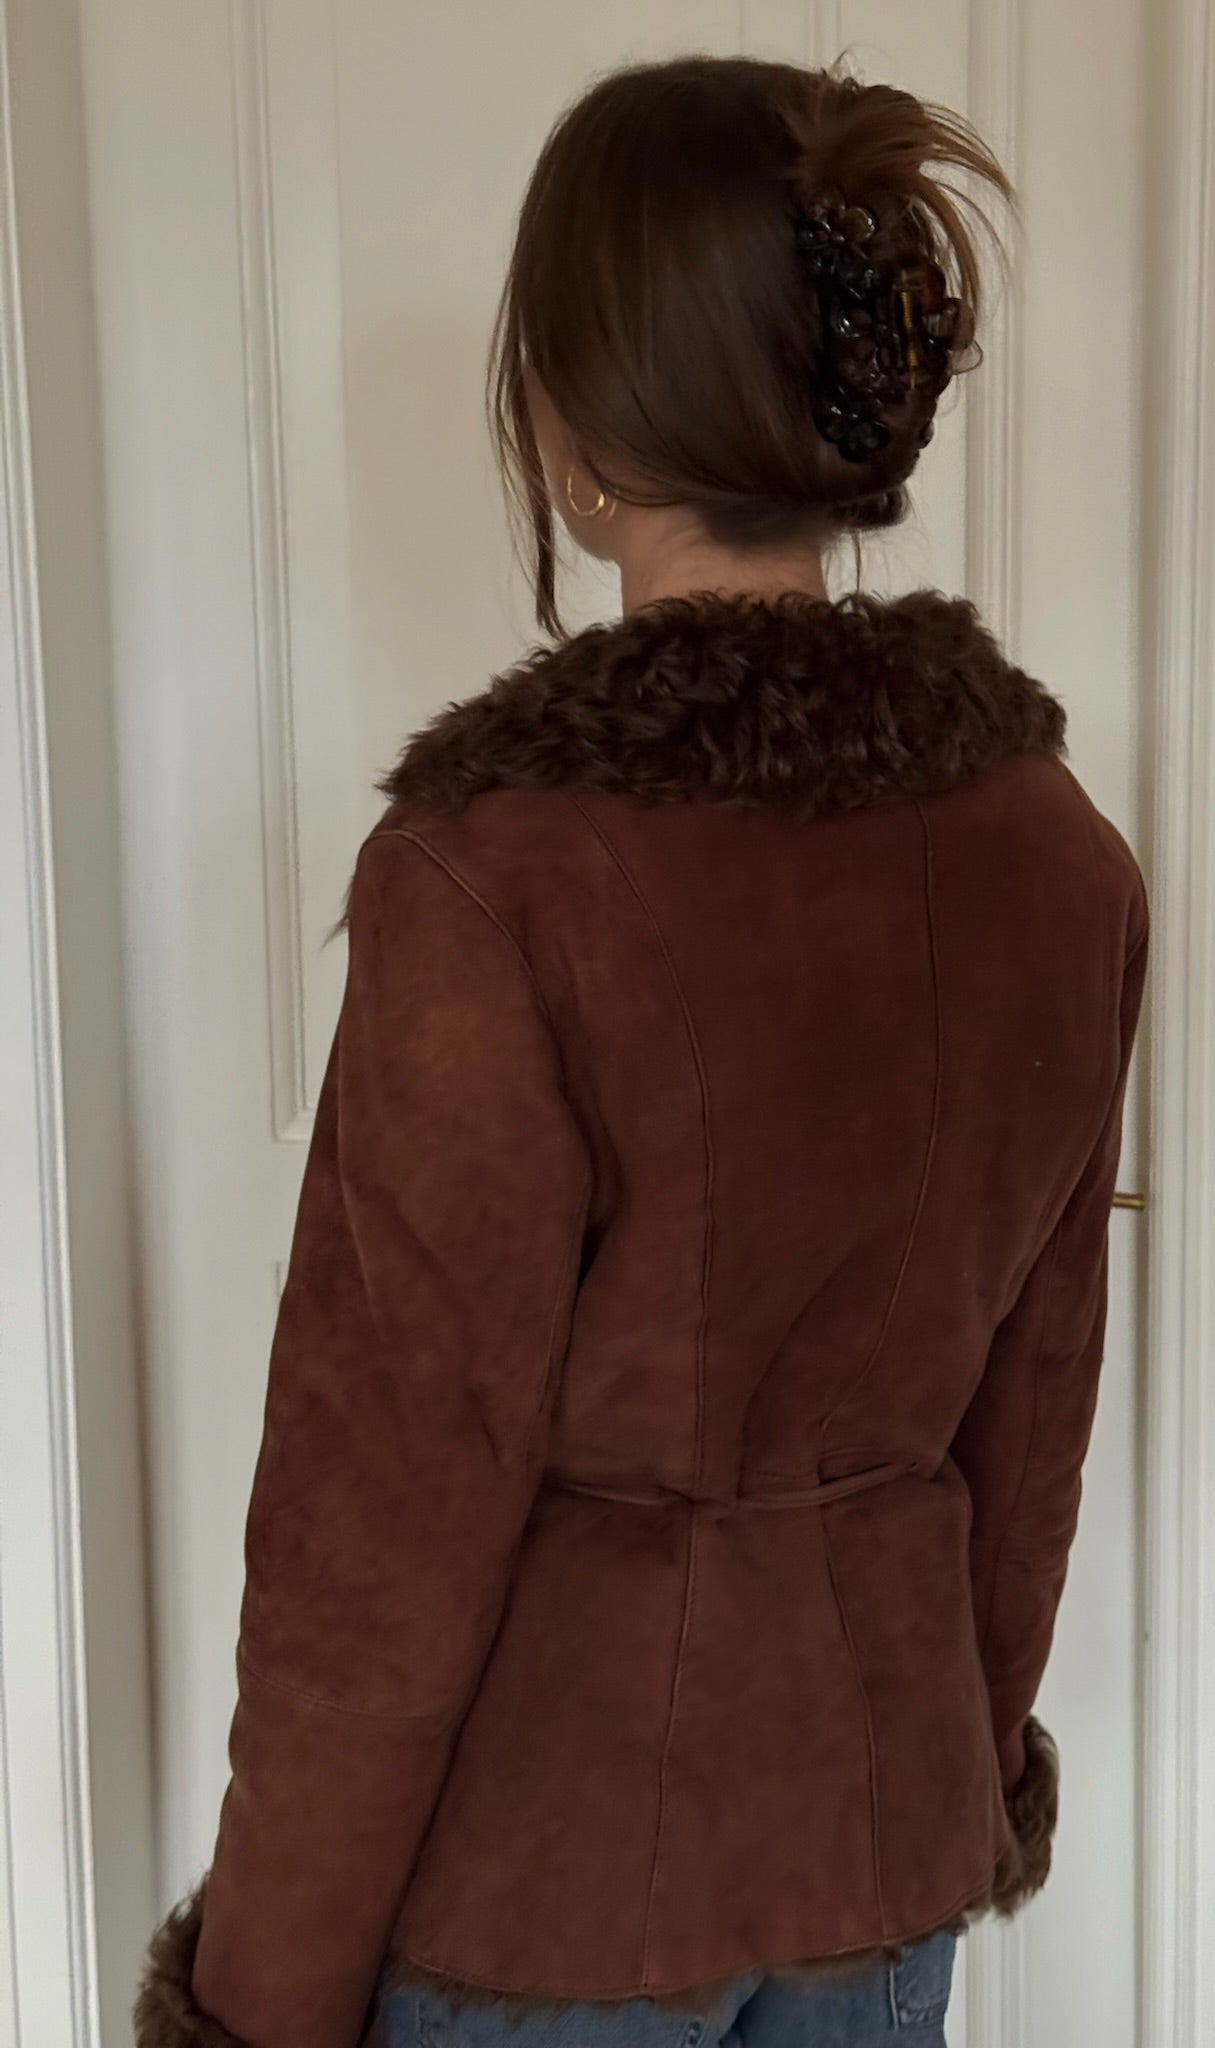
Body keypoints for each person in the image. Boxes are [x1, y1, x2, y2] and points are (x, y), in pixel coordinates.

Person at [135, 52, 1148, 2048]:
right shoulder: (1058, 858)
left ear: (580, 426)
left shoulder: (498, 878)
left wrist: (255, 2000)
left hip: (554, 1887)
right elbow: (1031, 1425)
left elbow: (381, 1516)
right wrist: (958, 1764)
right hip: (879, 1846)